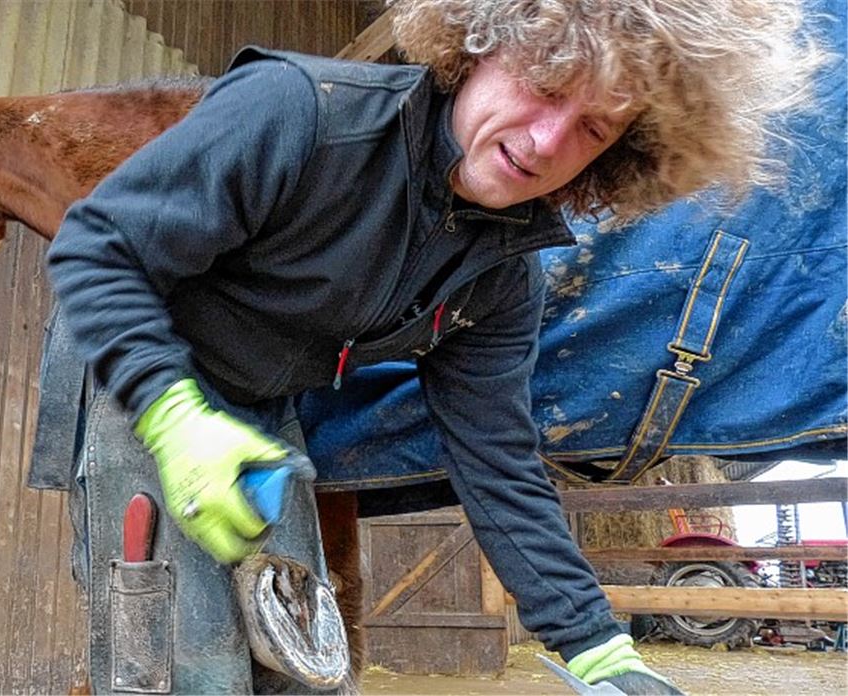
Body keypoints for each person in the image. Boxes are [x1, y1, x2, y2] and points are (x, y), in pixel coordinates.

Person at [47, 1, 823, 693]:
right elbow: (97, 244)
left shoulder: (502, 276)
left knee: (298, 663)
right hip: (141, 375)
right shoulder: (300, 113)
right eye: (546, 84)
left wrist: (598, 649)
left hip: (260, 412)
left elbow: (496, 458)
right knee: (186, 667)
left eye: (594, 126)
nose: (549, 140)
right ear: (477, 44)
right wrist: (172, 415)